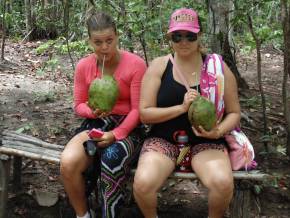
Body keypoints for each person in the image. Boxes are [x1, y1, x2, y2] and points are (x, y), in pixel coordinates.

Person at [133, 8, 241, 218]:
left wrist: (217, 132)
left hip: (205, 141)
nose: (184, 41)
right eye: (177, 36)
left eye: (190, 36)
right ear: (169, 37)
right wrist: (181, 109)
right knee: (143, 183)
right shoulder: (159, 66)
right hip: (164, 139)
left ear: (199, 36)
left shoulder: (217, 68)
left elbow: (235, 113)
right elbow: (144, 114)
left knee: (222, 183)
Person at [60, 11, 147, 218]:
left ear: (117, 36)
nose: (105, 47)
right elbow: (78, 105)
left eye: (109, 40)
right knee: (68, 163)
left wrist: (116, 134)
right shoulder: (84, 66)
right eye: (98, 42)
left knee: (111, 157)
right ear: (89, 41)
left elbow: (138, 110)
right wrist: (92, 111)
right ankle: (83, 215)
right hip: (95, 123)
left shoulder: (136, 65)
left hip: (129, 126)